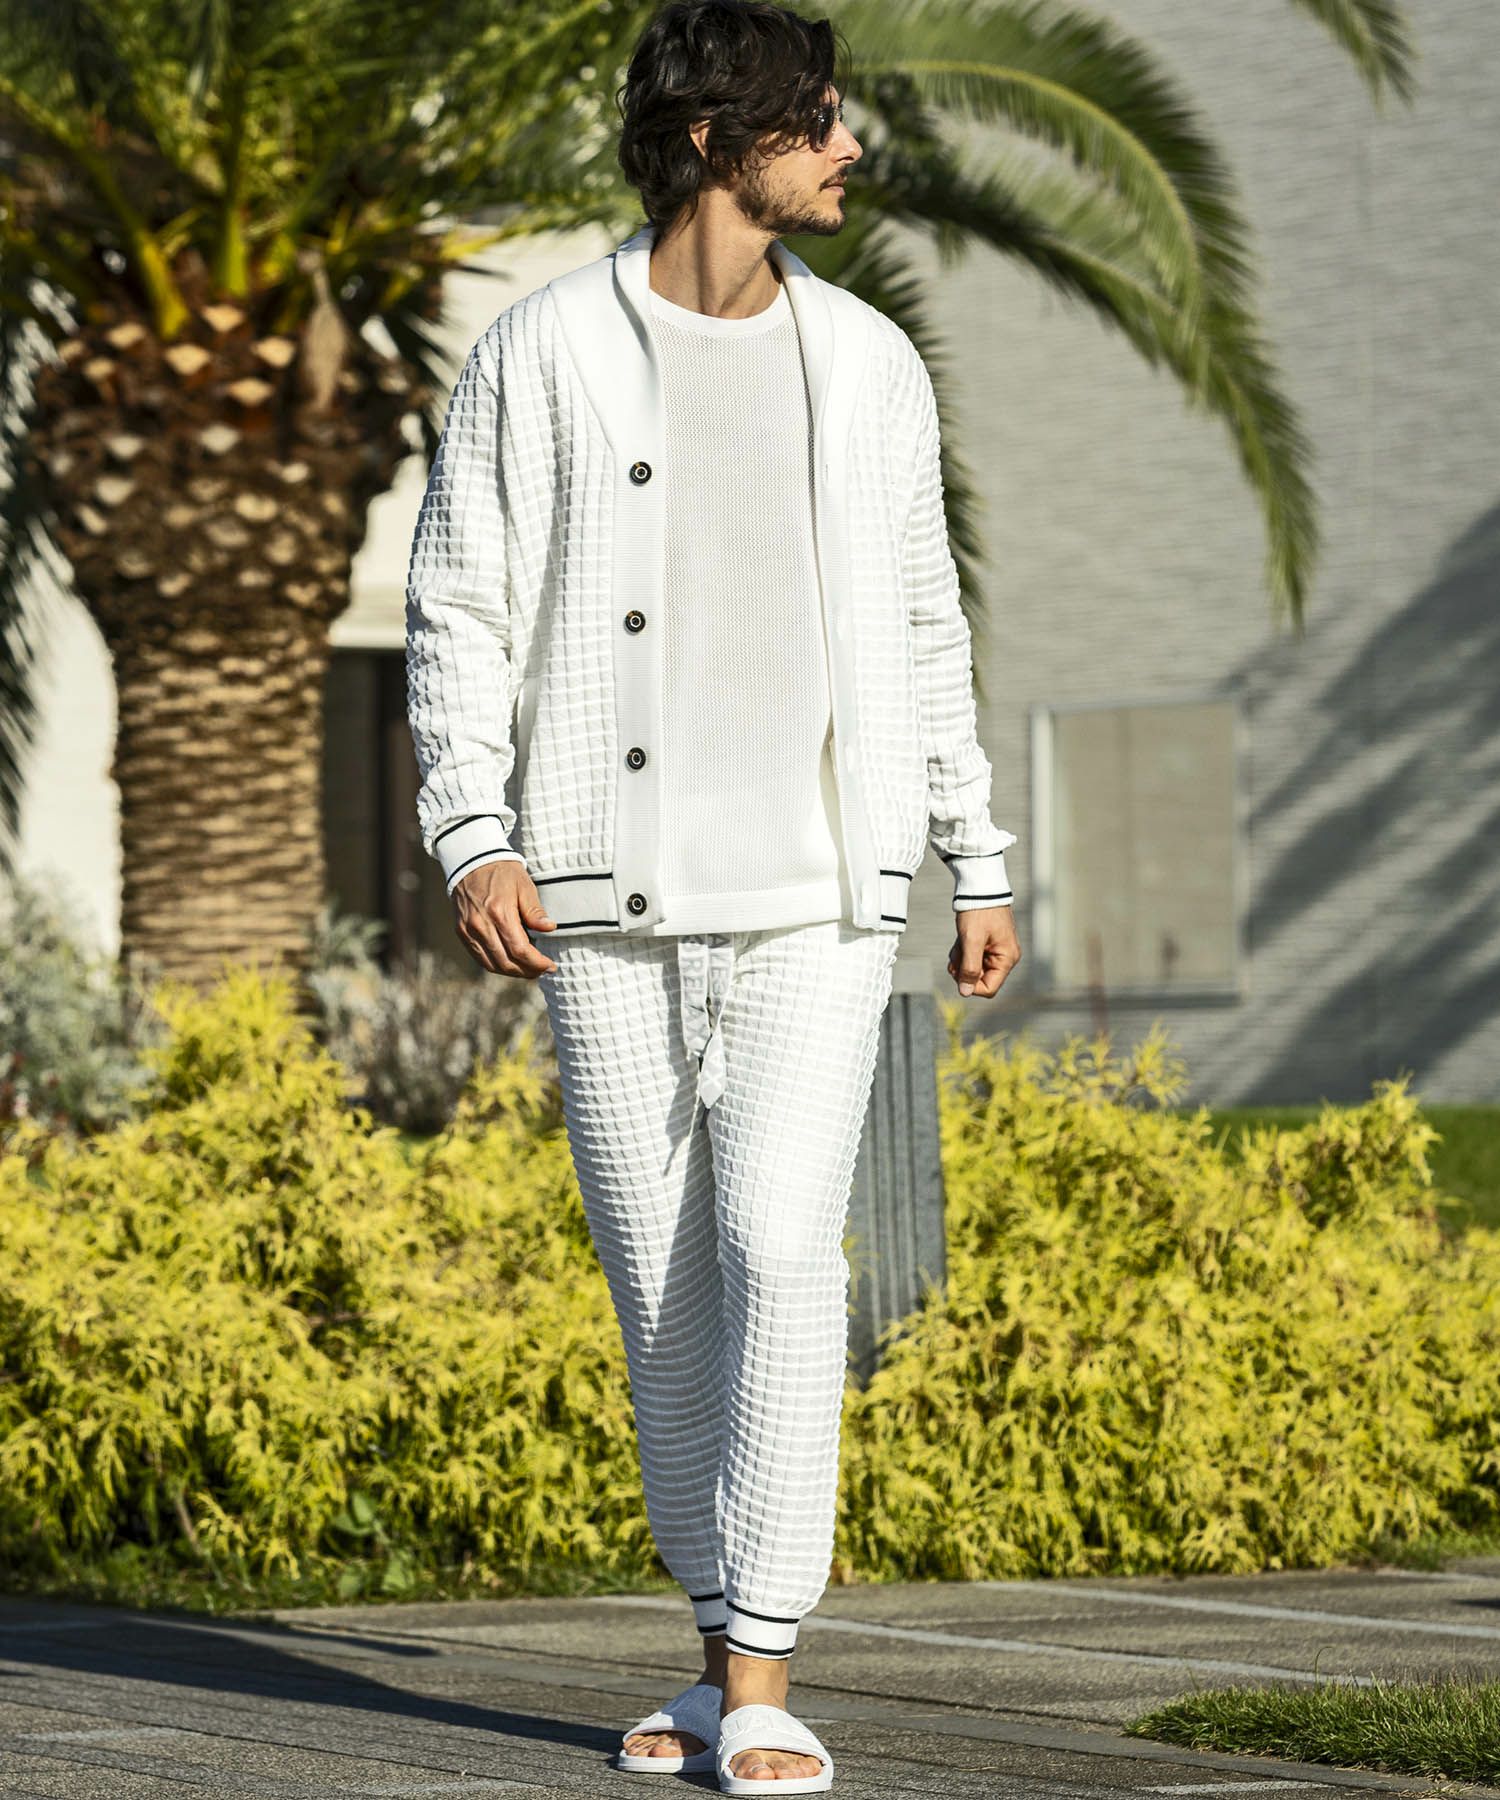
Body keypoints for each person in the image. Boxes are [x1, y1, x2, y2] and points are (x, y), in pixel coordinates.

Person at [404, 2, 1022, 1786]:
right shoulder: (542, 353)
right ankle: (711, 1645)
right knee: (664, 1291)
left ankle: (763, 1674)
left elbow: (925, 621)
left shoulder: (870, 363)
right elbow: (457, 606)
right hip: (600, 897)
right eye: (814, 121)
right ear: (708, 139)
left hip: (824, 893)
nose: (848, 149)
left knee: (777, 1247)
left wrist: (975, 852)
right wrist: (473, 830)